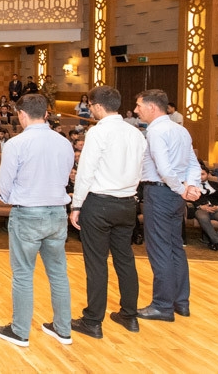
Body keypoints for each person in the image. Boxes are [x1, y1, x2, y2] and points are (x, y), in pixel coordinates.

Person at [0, 94, 74, 348]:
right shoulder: (64, 143)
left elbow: (5, 184)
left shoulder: (16, 144)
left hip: (27, 213)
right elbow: (66, 177)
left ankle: (20, 331)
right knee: (58, 273)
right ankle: (63, 329)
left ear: (22, 115)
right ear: (46, 114)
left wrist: (7, 197)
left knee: (23, 274)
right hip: (57, 212)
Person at [68, 86, 145, 339]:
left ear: (98, 106)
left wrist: (77, 205)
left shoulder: (98, 132)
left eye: (90, 106)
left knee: (96, 262)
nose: (90, 109)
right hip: (128, 204)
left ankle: (92, 321)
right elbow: (141, 170)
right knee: (125, 259)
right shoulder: (136, 133)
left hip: (99, 203)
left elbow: (86, 171)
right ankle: (129, 315)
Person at [134, 89, 201, 322]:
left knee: (160, 249)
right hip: (175, 195)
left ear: (152, 107)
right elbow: (193, 164)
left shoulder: (155, 131)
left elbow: (164, 169)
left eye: (139, 105)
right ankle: (180, 302)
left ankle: (162, 306)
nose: (136, 110)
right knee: (175, 248)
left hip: (160, 192)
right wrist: (191, 186)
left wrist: (182, 188)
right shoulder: (180, 129)